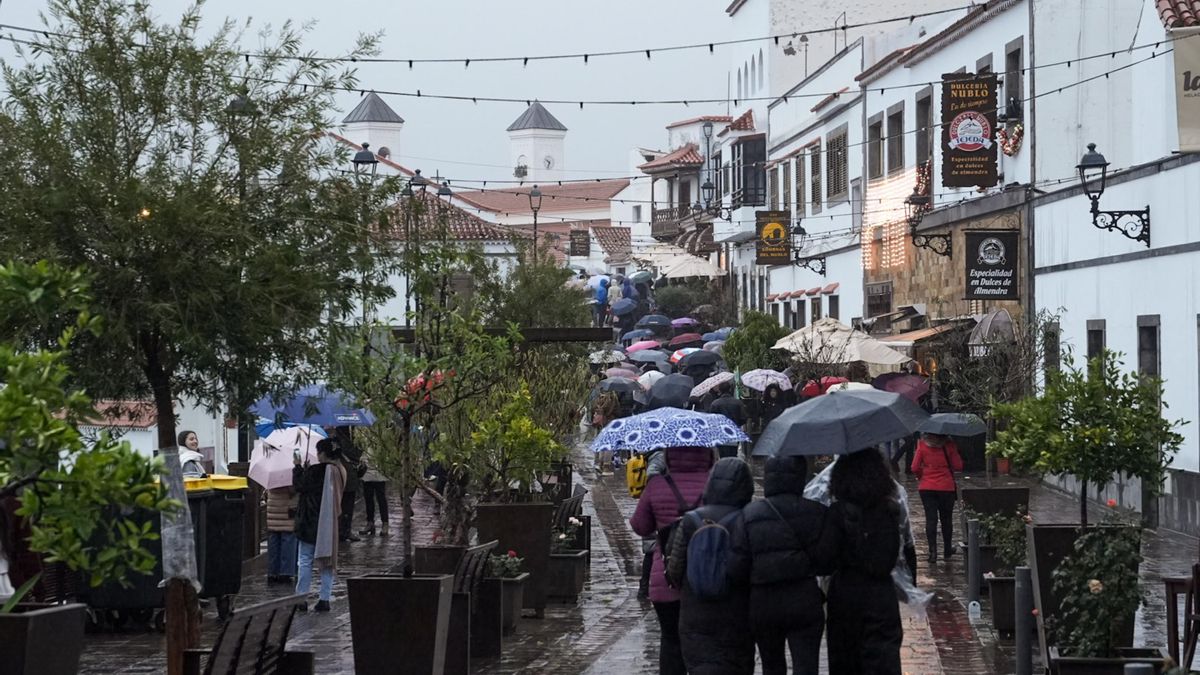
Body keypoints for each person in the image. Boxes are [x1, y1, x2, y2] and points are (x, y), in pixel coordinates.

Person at [732, 456, 835, 675]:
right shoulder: (818, 512)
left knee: (771, 665)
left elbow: (738, 565)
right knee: (807, 665)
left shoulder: (749, 515)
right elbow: (827, 562)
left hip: (763, 602)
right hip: (804, 598)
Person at [665, 457, 756, 675]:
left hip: (695, 612)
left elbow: (675, 570)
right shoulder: (748, 520)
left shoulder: (690, 520)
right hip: (736, 612)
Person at [629, 447, 714, 675]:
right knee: (703, 641)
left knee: (670, 639)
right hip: (706, 579)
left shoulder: (657, 484)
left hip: (665, 578)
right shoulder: (715, 484)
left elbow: (640, 526)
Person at [824, 448, 907, 675]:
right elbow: (891, 558)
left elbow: (826, 559)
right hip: (880, 597)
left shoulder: (835, 513)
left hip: (844, 597)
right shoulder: (890, 511)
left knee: (844, 661)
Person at [293, 438, 347, 612]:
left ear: (323, 453)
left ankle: (301, 598)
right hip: (329, 522)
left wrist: (298, 467)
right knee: (327, 561)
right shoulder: (341, 470)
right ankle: (324, 598)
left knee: (305, 560)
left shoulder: (317, 470)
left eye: (318, 452)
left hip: (310, 521)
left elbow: (300, 486)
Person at [910, 432, 963, 563]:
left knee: (930, 519)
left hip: (927, 487)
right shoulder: (949, 445)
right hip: (946, 487)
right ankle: (947, 550)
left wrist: (922, 475)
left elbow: (914, 467)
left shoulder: (922, 444)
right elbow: (958, 466)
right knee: (947, 519)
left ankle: (932, 552)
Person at [333, 427, 364, 544]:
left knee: (340, 506)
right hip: (349, 477)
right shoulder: (349, 442)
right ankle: (345, 531)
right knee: (347, 507)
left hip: (339, 477)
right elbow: (357, 454)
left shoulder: (334, 442)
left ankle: (341, 530)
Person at [265, 485, 298, 584]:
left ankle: (272, 573)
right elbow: (294, 491)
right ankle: (286, 573)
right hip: (287, 513)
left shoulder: (271, 480)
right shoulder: (289, 480)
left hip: (273, 513)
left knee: (273, 544)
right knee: (288, 542)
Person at [708, 383, 747, 459]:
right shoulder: (738, 403)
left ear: (720, 390)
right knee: (733, 453)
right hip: (734, 431)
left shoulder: (715, 404)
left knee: (722, 454)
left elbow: (711, 420)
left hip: (721, 432)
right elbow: (743, 418)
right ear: (730, 389)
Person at [358, 449, 389, 538]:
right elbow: (364, 452)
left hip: (379, 473)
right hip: (367, 474)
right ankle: (370, 522)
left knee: (381, 500)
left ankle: (385, 523)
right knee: (368, 499)